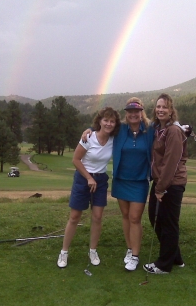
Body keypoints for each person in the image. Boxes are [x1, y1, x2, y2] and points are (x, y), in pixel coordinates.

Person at [82, 97, 154, 271]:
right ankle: (130, 249)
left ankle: (135, 256)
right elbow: (103, 127)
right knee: (126, 215)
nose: (133, 114)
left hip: (139, 181)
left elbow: (169, 125)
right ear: (126, 114)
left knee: (135, 218)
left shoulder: (150, 130)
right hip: (121, 179)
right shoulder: (120, 129)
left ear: (141, 112)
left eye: (136, 111)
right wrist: (89, 129)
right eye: (130, 112)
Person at [57, 107, 121, 268]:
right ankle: (64, 252)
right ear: (99, 121)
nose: (108, 123)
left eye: (112, 121)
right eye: (105, 120)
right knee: (75, 216)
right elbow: (76, 160)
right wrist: (89, 178)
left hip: (100, 181)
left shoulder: (114, 139)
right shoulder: (89, 137)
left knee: (98, 217)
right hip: (83, 178)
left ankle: (93, 251)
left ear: (115, 124)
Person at [143, 93, 188, 274]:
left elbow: (171, 162)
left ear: (171, 111)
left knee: (167, 223)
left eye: (165, 107)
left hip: (171, 184)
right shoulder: (157, 129)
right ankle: (175, 257)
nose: (161, 110)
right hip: (161, 182)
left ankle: (164, 265)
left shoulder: (173, 131)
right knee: (156, 219)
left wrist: (160, 189)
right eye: (158, 107)